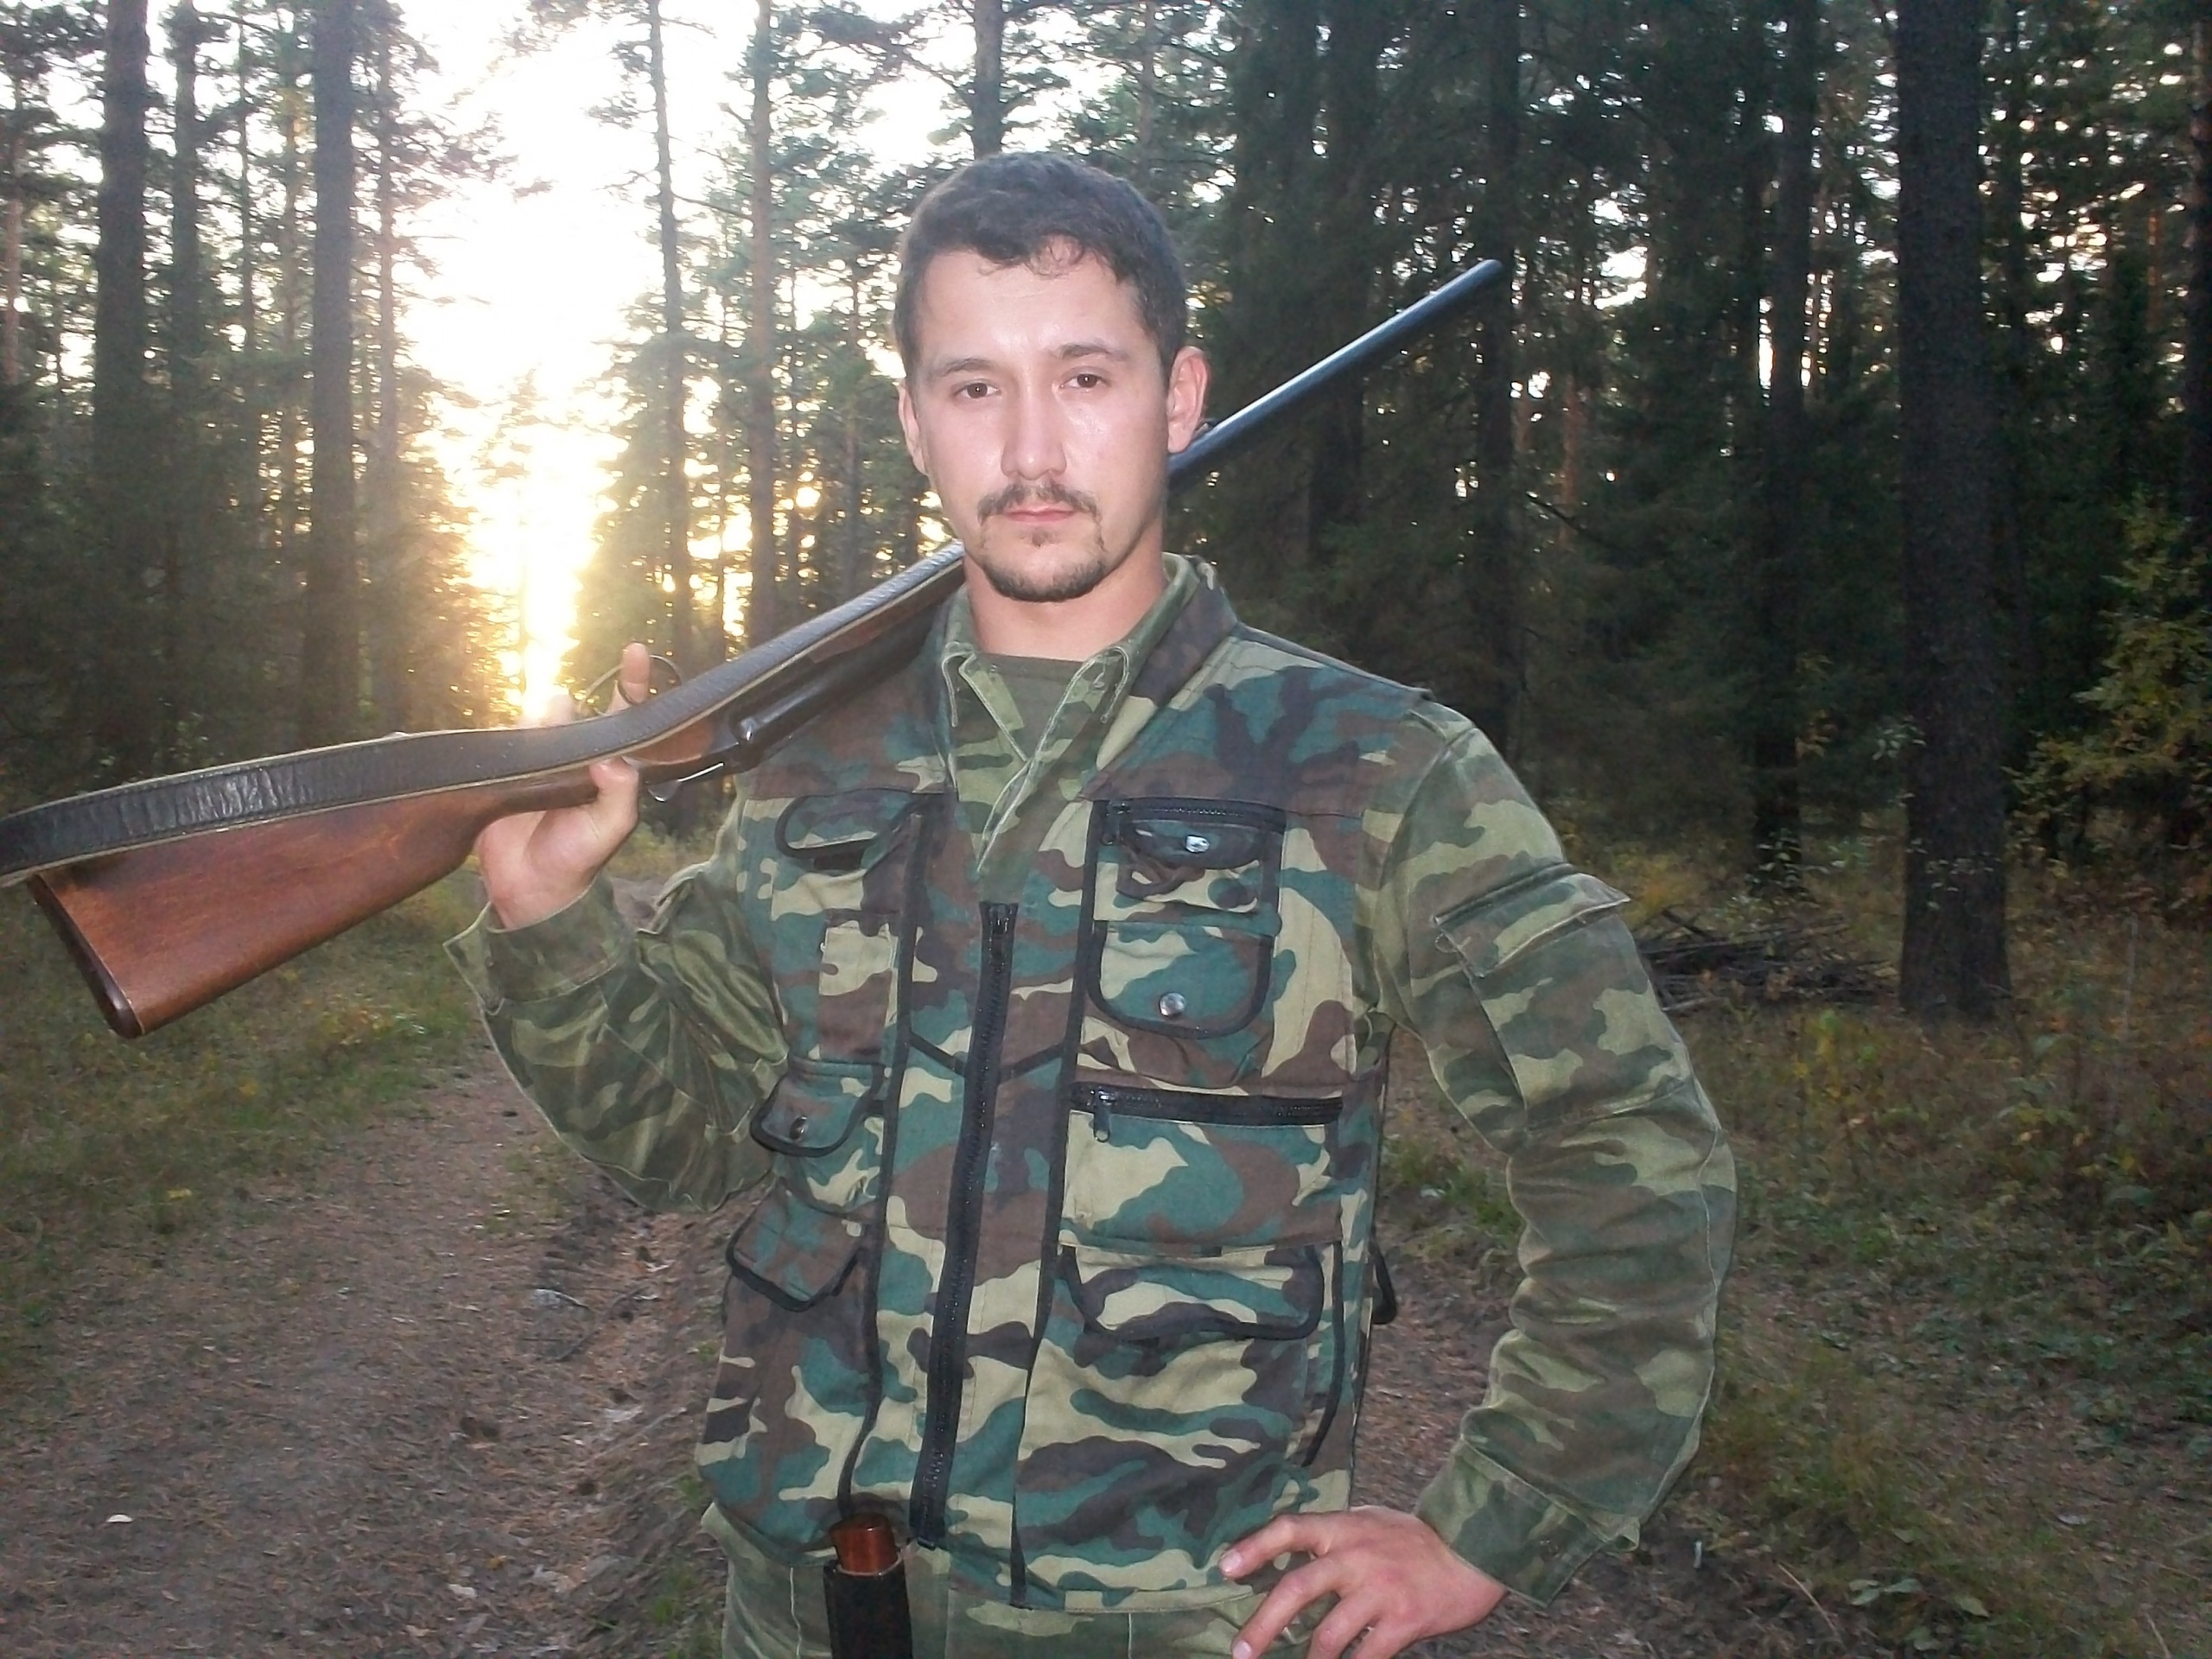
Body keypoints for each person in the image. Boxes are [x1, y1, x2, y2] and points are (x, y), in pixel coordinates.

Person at [448, 151, 1734, 1659]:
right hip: (806, 1612)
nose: (1033, 447)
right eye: (975, 387)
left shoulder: (1374, 767)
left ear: (1179, 398)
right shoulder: (815, 765)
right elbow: (681, 1147)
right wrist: (551, 926)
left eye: (1084, 376)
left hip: (1181, 1626)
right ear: (916, 420)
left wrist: (1494, 1519)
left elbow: (1628, 1143)